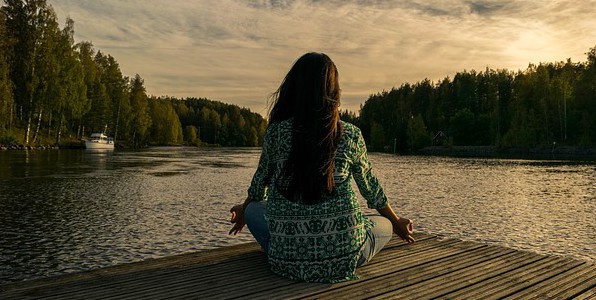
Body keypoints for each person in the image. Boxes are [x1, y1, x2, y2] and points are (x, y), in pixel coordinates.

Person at [229, 52, 414, 283]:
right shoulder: (350, 134)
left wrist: (244, 209)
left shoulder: (276, 133)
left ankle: (288, 247)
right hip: (345, 257)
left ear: (294, 89)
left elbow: (258, 187)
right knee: (383, 223)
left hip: (285, 262)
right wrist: (397, 223)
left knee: (255, 209)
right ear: (333, 92)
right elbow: (371, 190)